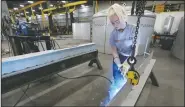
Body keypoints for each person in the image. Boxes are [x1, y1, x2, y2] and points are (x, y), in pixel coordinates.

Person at [108, 3, 137, 82]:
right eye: (112, 23)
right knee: (117, 77)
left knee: (129, 77)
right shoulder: (113, 34)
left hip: (130, 57)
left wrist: (127, 64)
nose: (115, 25)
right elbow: (114, 51)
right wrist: (118, 64)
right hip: (118, 56)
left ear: (124, 17)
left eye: (117, 21)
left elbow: (135, 49)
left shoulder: (133, 29)